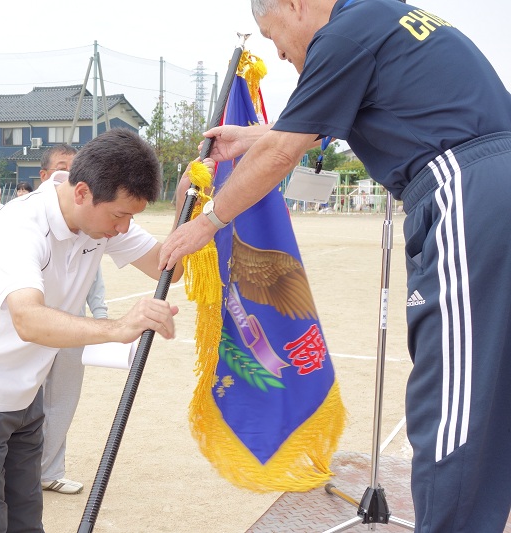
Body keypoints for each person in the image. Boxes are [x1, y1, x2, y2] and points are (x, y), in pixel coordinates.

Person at [158, 1, 511, 531]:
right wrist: (254, 136)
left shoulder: (344, 33)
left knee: (457, 403)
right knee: (497, 387)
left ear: (294, 6)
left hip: (469, 190)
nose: (276, 52)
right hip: (489, 181)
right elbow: (331, 121)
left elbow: (282, 155)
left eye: (271, 33)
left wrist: (207, 221)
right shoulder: (382, 17)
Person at [0, 128, 184, 533]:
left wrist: (195, 206)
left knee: (26, 522)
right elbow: (28, 318)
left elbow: (169, 266)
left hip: (26, 394)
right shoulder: (21, 224)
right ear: (81, 192)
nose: (123, 228)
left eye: (131, 217)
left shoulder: (100, 219)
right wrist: (117, 327)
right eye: (119, 215)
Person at [36, 144, 107, 495]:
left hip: (72, 329)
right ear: (45, 176)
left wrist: (102, 314)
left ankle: (50, 470)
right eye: (63, 167)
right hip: (33, 329)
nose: (72, 173)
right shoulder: (27, 220)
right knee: (26, 404)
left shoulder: (92, 225)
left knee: (62, 400)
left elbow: (94, 277)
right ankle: (21, 473)